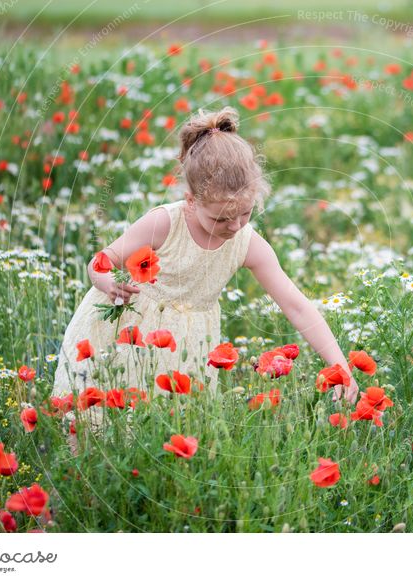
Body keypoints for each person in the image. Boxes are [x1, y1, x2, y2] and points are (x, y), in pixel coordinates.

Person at [52, 106, 359, 447]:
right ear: (191, 200)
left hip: (188, 348)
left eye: (245, 213)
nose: (236, 225)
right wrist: (105, 281)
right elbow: (102, 259)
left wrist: (339, 366)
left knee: (168, 439)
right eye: (222, 218)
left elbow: (296, 305)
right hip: (127, 337)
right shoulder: (164, 223)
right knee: (101, 430)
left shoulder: (247, 243)